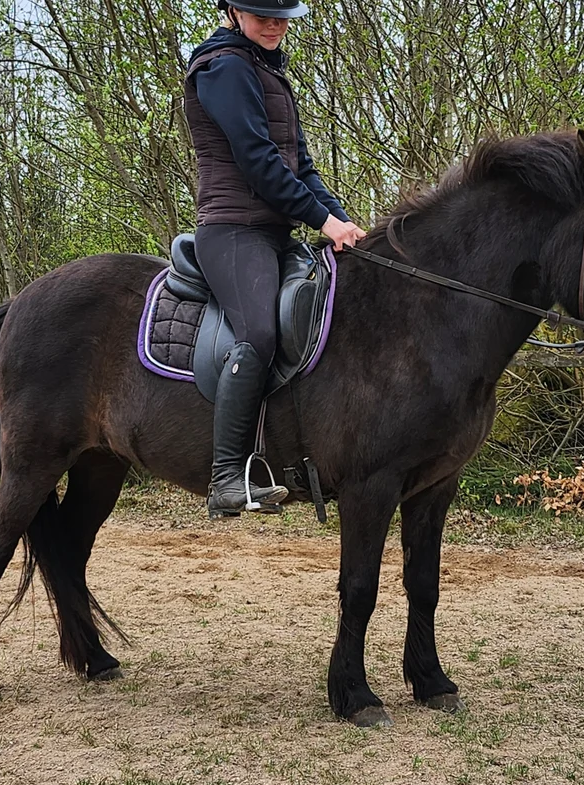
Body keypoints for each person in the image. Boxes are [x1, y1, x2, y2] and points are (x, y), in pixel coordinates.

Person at [184, 0, 366, 518]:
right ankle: (226, 477)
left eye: (281, 15)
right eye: (261, 13)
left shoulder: (267, 69)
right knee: (259, 334)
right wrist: (322, 221)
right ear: (232, 10)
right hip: (233, 231)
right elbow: (258, 160)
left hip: (275, 232)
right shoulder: (223, 67)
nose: (274, 24)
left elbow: (300, 166)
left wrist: (344, 223)